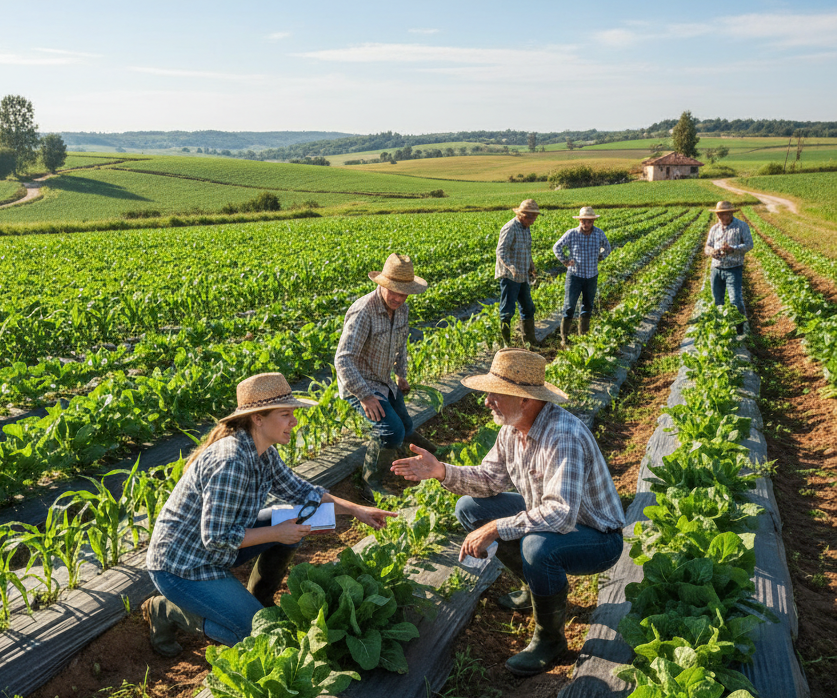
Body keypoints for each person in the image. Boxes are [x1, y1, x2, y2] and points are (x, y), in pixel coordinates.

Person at [391, 348, 624, 676]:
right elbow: (488, 480)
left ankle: (551, 640)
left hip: (596, 537)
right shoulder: (511, 431)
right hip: (552, 517)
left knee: (537, 547)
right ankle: (536, 587)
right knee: (470, 508)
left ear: (525, 400)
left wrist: (497, 527)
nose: (486, 402)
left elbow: (560, 514)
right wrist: (440, 471)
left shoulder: (563, 437)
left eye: (495, 395)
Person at [142, 372, 394, 656]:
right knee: (260, 634)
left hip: (216, 545)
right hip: (183, 565)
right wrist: (276, 532)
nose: (294, 421)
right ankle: (169, 610)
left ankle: (257, 599)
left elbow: (303, 491)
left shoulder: (264, 452)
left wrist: (357, 509)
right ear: (257, 419)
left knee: (290, 519)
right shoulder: (231, 463)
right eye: (285, 414)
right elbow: (216, 538)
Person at [335, 253, 436, 499]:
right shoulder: (364, 312)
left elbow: (400, 347)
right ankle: (372, 482)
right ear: (381, 284)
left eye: (404, 293)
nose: (398, 298)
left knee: (406, 425)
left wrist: (401, 376)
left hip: (385, 381)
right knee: (391, 432)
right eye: (394, 291)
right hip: (360, 383)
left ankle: (432, 455)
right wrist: (365, 396)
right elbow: (343, 359)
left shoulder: (402, 310)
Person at [553, 206, 612, 345]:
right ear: (579, 220)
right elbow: (557, 247)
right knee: (569, 306)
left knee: (587, 306)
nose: (586, 224)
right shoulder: (572, 234)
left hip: (591, 276)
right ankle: (564, 339)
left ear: (593, 221)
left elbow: (608, 247)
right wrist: (565, 261)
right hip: (575, 276)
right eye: (583, 221)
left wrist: (600, 257)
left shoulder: (599, 234)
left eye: (589, 221)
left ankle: (583, 336)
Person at [496, 199, 541, 349]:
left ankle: (529, 341)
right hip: (510, 276)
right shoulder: (510, 228)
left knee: (528, 308)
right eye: (531, 217)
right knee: (507, 311)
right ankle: (506, 345)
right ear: (522, 215)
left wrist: (531, 266)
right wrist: (511, 268)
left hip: (522, 275)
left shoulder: (525, 228)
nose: (533, 221)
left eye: (535, 217)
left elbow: (527, 250)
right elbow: (501, 251)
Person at [704, 200, 753, 335]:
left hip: (733, 268)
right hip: (716, 269)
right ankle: (720, 327)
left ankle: (740, 329)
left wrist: (733, 249)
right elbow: (707, 246)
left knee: (735, 300)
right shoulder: (714, 229)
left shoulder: (741, 227)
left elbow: (749, 245)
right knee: (717, 300)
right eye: (719, 215)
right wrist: (712, 251)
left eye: (725, 214)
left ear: (731, 213)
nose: (722, 218)